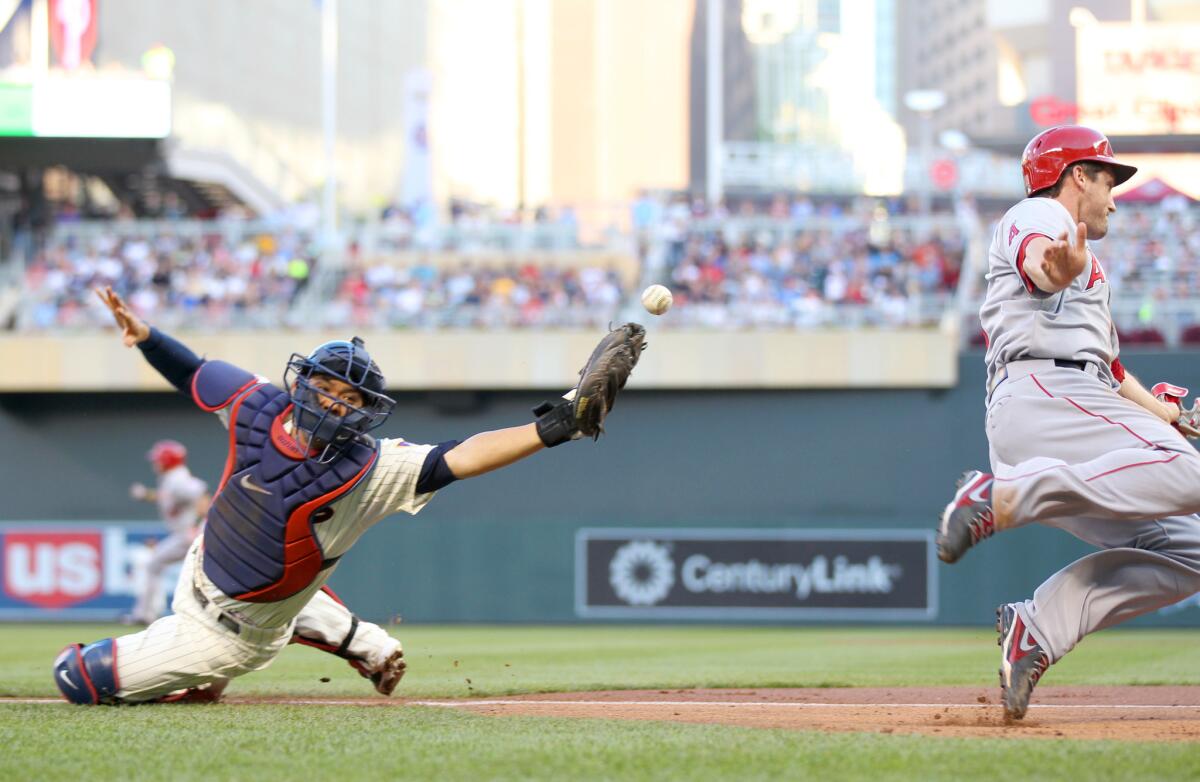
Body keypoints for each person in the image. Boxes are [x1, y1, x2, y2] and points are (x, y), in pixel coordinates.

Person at [53, 286, 644, 705]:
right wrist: (148, 336)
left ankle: (211, 670)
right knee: (285, 585)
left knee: (75, 677)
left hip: (232, 634)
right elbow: (194, 372)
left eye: (352, 398)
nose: (336, 401)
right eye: (327, 385)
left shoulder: (372, 468)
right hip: (198, 567)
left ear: (366, 413)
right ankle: (367, 642)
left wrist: (555, 425)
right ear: (303, 381)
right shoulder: (256, 405)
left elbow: (462, 454)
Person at [936, 125, 1200, 721]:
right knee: (1190, 475)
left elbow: (1109, 368)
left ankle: (1036, 630)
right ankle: (998, 497)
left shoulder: (1086, 256)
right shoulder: (1040, 215)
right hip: (1049, 394)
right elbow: (1041, 265)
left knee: (1190, 549)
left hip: (1064, 404)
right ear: (1077, 174)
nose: (1115, 194)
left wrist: (1166, 414)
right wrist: (1058, 266)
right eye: (1108, 178)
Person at [125, 440, 210, 625]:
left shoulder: (178, 478)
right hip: (186, 534)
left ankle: (145, 614)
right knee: (161, 567)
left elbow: (201, 494)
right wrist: (146, 495)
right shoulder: (172, 478)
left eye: (158, 459)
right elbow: (169, 496)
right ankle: (147, 613)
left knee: (154, 565)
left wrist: (197, 526)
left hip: (189, 534)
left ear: (167, 460)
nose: (155, 463)